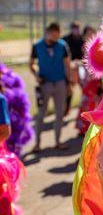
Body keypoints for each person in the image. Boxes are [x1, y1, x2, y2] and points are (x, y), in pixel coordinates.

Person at [29, 22, 71, 151]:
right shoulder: (37, 46)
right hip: (45, 84)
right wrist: (37, 76)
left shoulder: (62, 46)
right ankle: (37, 144)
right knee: (41, 114)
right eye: (53, 33)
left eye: (57, 33)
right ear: (47, 32)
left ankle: (58, 142)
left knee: (59, 113)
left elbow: (67, 65)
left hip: (60, 83)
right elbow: (31, 64)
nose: (55, 36)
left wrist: (69, 83)